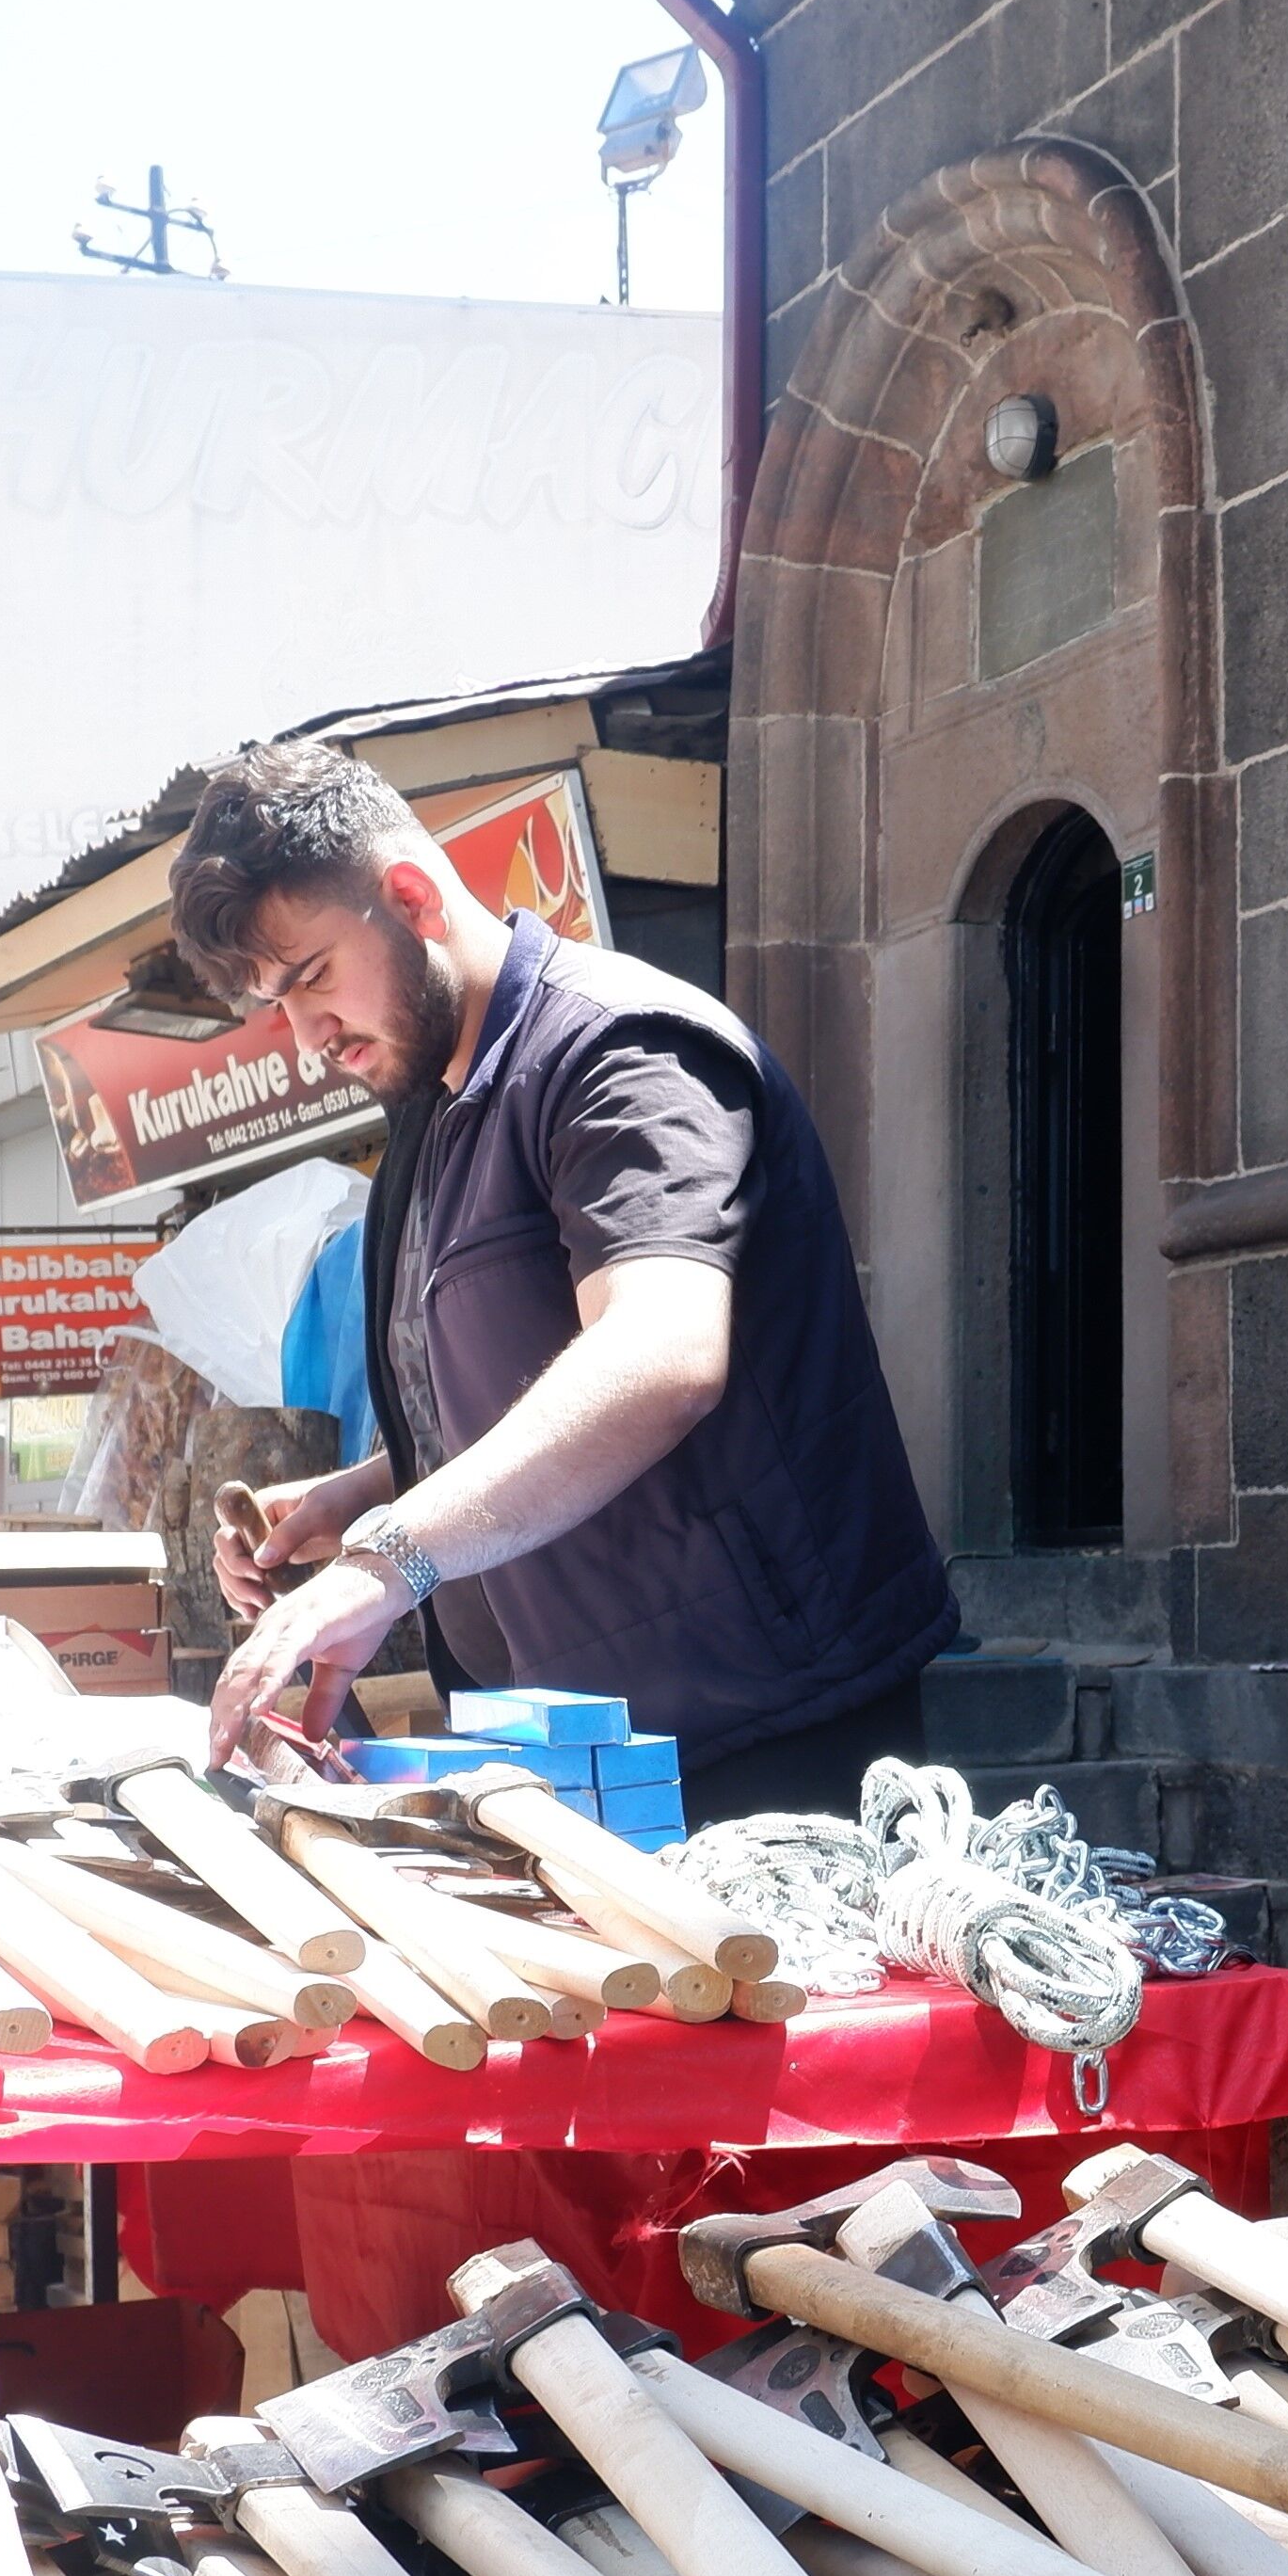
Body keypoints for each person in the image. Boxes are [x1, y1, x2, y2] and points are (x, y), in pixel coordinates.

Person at [181, 744, 957, 1816]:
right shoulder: (427, 1108)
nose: (308, 1036)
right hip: (572, 1742)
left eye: (312, 977)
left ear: (409, 894)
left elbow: (660, 1354)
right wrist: (363, 1491)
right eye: (276, 1003)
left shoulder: (623, 1053)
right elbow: (515, 1384)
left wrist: (386, 1559)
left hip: (768, 1739)